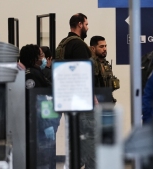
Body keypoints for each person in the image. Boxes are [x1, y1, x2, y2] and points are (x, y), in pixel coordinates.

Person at [55, 13, 95, 169]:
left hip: (68, 100)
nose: (87, 27)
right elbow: (83, 74)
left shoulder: (63, 44)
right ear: (79, 24)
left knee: (74, 141)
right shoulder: (78, 45)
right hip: (81, 101)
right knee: (90, 142)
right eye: (86, 24)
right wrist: (92, 97)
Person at [20, 44, 60, 169]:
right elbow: (38, 103)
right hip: (40, 129)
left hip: (42, 126)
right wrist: (47, 125)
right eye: (41, 55)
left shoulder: (37, 73)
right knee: (43, 163)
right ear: (34, 58)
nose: (44, 58)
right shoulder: (32, 75)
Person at [90, 35, 120, 103]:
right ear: (93, 48)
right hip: (97, 104)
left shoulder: (105, 63)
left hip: (107, 102)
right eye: (101, 46)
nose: (104, 49)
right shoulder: (91, 64)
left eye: (105, 46)